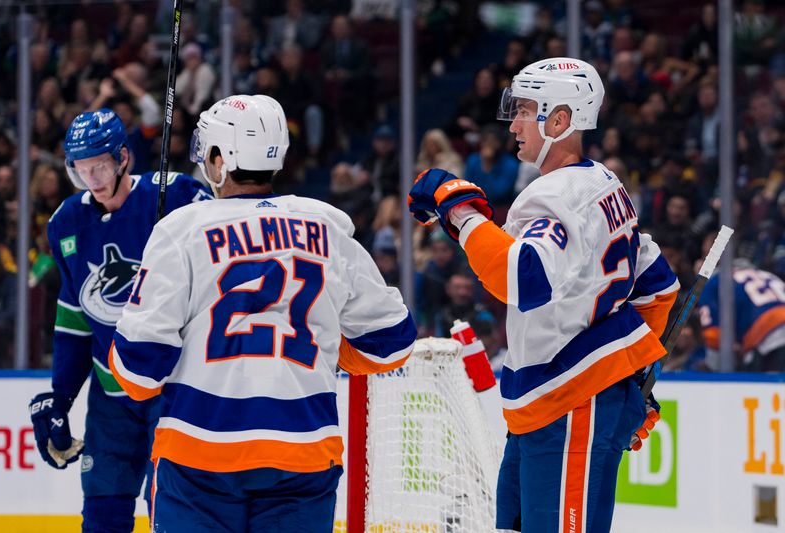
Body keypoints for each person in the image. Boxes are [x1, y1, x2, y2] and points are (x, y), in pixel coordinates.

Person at [108, 95, 416, 532]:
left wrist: (150, 315)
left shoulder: (181, 230)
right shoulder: (327, 224)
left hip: (201, 457)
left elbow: (138, 376)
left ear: (219, 159)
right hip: (304, 452)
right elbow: (393, 343)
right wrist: (324, 347)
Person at [408, 57, 680, 532]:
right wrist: (631, 377)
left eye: (524, 110)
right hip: (558, 404)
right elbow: (658, 285)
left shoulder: (555, 196)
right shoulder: (605, 185)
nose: (512, 124)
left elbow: (522, 278)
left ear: (560, 120)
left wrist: (460, 210)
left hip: (570, 405)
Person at [27, 109, 211, 533]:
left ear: (123, 157)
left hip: (174, 388)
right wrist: (61, 398)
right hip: (111, 393)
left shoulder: (177, 197)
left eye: (101, 166)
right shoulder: (66, 223)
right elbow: (75, 322)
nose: (92, 178)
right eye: (82, 169)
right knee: (102, 510)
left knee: (172, 510)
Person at [699, 260, 785, 372]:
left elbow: (714, 336)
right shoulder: (766, 274)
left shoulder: (714, 282)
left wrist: (711, 368)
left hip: (771, 337)